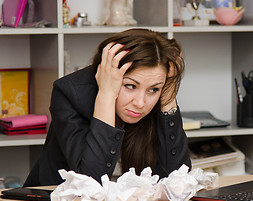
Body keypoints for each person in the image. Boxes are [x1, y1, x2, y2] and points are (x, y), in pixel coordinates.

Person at [24, 28, 191, 187]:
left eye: (153, 89)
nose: (140, 103)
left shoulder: (161, 95)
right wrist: (106, 96)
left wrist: (168, 96)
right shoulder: (70, 93)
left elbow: (177, 180)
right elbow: (90, 182)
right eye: (130, 86)